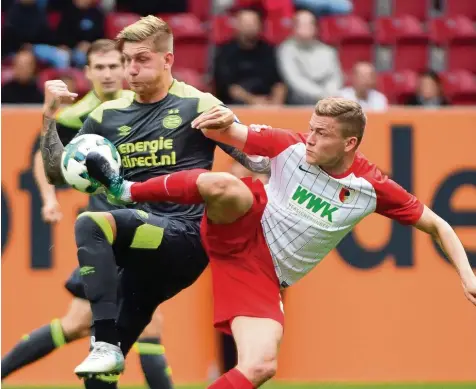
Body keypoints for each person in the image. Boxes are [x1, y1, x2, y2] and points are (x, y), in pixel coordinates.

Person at [88, 97, 476, 389]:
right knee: (226, 185)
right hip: (242, 225)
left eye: (322, 133)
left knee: (261, 366)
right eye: (311, 127)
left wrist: (467, 274)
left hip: (261, 275)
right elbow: (230, 132)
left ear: (349, 143)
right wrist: (223, 121)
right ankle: (127, 189)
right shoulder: (290, 145)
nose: (311, 138)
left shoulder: (370, 188)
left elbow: (439, 224)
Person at [39, 15, 270, 387]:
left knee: (91, 223)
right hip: (143, 255)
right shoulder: (107, 115)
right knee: (99, 378)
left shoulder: (198, 104)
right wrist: (49, 117)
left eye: (142, 59)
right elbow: (55, 173)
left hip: (185, 239)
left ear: (168, 60)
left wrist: (237, 129)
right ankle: (107, 348)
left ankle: (104, 343)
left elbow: (259, 163)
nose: (131, 69)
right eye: (127, 59)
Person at [2, 39, 174, 389]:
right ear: (88, 72)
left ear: (125, 68)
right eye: (100, 67)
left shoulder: (142, 106)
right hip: (109, 235)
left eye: (114, 66)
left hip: (144, 225)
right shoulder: (78, 116)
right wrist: (49, 199)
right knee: (145, 326)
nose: (108, 74)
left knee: (79, 323)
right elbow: (42, 158)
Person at [213, 7, 287, 105]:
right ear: (237, 25)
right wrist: (253, 101)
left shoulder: (269, 50)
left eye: (253, 22)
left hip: (267, 103)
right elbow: (229, 88)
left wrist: (276, 103)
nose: (250, 26)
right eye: (245, 23)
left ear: (260, 25)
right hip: (236, 106)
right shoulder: (224, 51)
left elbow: (279, 83)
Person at [277, 9, 342, 105]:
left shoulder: (328, 51)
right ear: (294, 27)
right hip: (297, 104)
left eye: (309, 24)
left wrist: (330, 94)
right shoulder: (286, 49)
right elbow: (295, 80)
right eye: (301, 24)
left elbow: (335, 77)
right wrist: (322, 95)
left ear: (316, 27)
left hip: (328, 102)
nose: (305, 28)